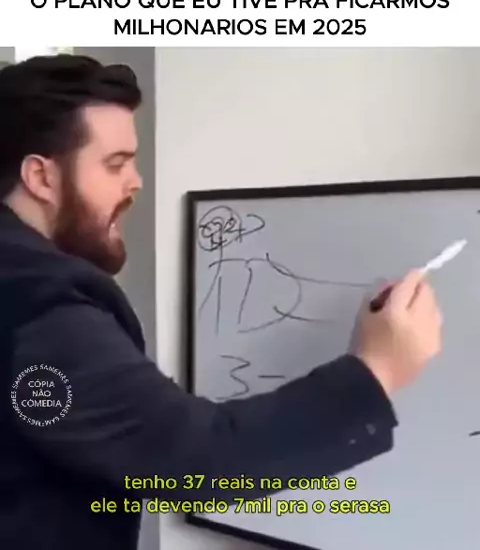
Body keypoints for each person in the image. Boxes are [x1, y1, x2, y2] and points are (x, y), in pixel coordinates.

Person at [0, 55, 442, 550]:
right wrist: (377, 371)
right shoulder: (44, 310)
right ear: (41, 177)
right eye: (115, 164)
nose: (136, 182)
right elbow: (201, 459)